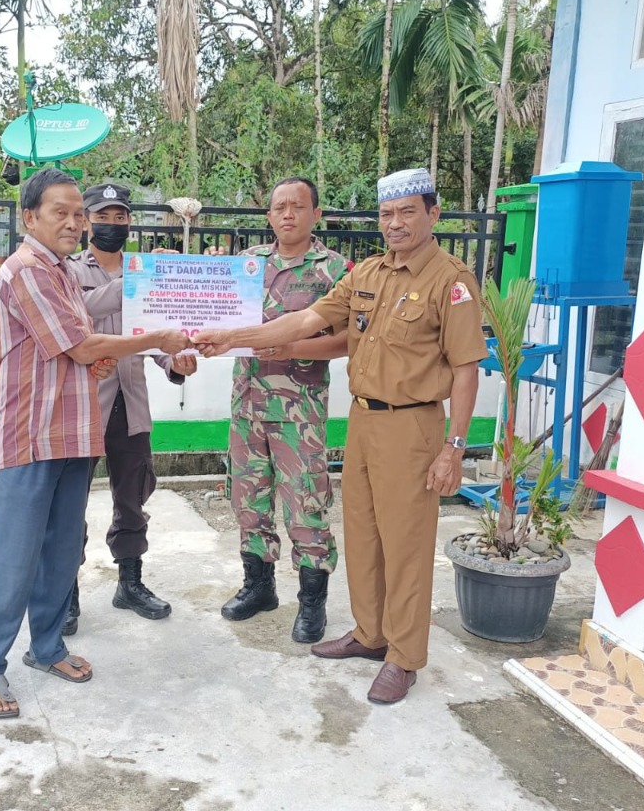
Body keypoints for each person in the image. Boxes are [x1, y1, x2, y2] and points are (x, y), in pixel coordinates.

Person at [195, 168, 487, 704]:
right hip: (363, 420)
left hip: (413, 424)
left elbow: (467, 369)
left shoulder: (451, 280)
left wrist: (455, 447)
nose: (395, 223)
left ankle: (404, 656)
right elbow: (307, 319)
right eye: (386, 214)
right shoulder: (368, 272)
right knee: (363, 534)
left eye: (407, 212)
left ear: (433, 214)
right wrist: (234, 337)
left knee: (405, 545)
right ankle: (371, 634)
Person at [0, 168, 189, 720]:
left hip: (75, 430)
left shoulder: (62, 271)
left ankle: (46, 648)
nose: (73, 222)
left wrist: (108, 355)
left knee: (61, 551)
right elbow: (80, 345)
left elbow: (80, 349)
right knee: (13, 556)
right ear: (29, 217)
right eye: (60, 212)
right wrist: (154, 338)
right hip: (31, 433)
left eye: (76, 214)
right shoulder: (25, 270)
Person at [215, 177, 350, 645]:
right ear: (269, 215)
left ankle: (312, 603)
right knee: (248, 499)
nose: (288, 214)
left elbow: (350, 339)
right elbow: (211, 308)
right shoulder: (248, 264)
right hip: (247, 404)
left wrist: (295, 347)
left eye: (298, 206)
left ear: (317, 214)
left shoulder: (335, 270)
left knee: (305, 504)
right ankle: (259, 586)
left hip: (299, 412)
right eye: (279, 207)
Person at [61, 183, 199, 633]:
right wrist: (136, 282)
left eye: (120, 217)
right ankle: (64, 592)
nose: (112, 224)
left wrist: (174, 362)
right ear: (87, 221)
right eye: (103, 216)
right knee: (70, 503)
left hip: (131, 403)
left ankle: (130, 583)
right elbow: (78, 312)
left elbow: (155, 333)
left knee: (133, 497)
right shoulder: (68, 269)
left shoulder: (143, 271)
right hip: (83, 407)